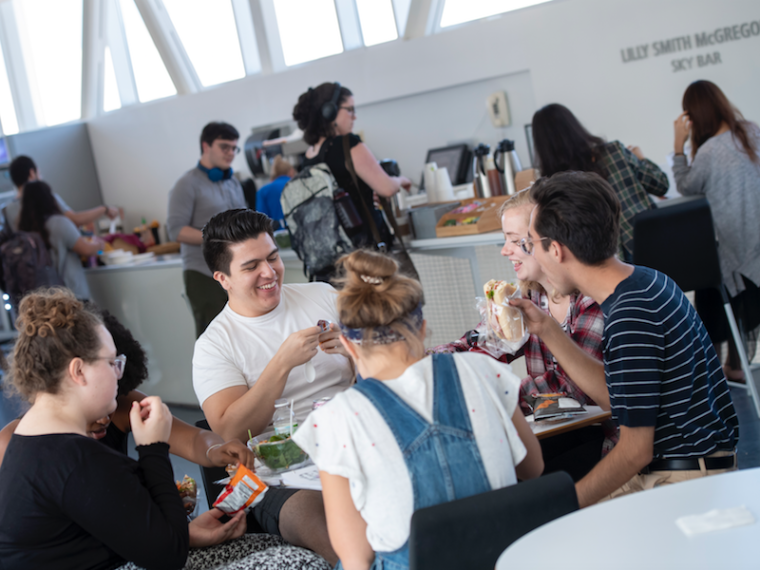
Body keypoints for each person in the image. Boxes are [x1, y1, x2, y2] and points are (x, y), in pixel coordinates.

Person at [292, 249, 543, 570]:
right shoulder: (482, 371)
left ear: (350, 345)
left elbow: (357, 558)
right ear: (422, 328)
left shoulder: (336, 419)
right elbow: (532, 469)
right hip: (506, 559)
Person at [510, 171, 738, 509]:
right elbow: (616, 397)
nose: (531, 255)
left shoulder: (631, 315)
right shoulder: (643, 281)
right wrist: (547, 330)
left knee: (547, 522)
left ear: (556, 250)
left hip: (680, 479)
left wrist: (567, 504)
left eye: (530, 244)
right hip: (681, 467)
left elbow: (635, 450)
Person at [0, 288, 252, 570]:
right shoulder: (78, 458)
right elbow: (168, 555)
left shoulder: (29, 442)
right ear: (78, 372)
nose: (118, 374)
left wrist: (181, 534)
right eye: (112, 363)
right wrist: (152, 448)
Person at [194, 208, 356, 565]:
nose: (269, 273)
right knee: (340, 541)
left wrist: (356, 348)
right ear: (223, 278)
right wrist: (281, 363)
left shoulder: (322, 295)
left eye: (273, 258)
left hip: (356, 442)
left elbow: (385, 373)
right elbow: (229, 430)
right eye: (251, 267)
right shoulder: (215, 345)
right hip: (281, 477)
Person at [432, 189, 615, 479]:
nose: (505, 251)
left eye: (516, 241)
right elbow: (482, 344)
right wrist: (427, 363)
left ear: (548, 243)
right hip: (563, 436)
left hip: (603, 444)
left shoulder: (590, 299)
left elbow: (572, 390)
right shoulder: (528, 296)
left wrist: (490, 397)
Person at [672, 79, 760, 382]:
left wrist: (677, 146)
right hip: (755, 243)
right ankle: (735, 365)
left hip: (736, 250)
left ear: (693, 116)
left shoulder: (709, 152)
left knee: (712, 289)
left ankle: (722, 369)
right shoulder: (751, 131)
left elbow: (686, 186)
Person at [292, 82, 412, 281]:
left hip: (334, 263)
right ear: (329, 112)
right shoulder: (348, 144)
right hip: (364, 255)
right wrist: (401, 180)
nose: (354, 116)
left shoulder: (309, 156)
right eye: (350, 109)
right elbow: (387, 187)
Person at [531, 103, 669, 261]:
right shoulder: (614, 151)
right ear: (574, 127)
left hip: (604, 259)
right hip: (651, 240)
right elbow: (661, 184)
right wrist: (641, 158)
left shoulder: (555, 185)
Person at [167, 122, 246, 338]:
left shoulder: (233, 183)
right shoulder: (187, 184)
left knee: (242, 336)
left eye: (233, 148)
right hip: (202, 274)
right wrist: (218, 237)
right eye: (224, 147)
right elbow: (176, 230)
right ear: (206, 146)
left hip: (235, 270)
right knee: (215, 340)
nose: (230, 153)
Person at [17, 181, 104, 300]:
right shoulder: (59, 223)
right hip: (71, 293)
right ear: (49, 198)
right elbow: (86, 249)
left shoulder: (23, 229)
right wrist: (99, 245)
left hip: (44, 297)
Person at [2, 155, 119, 234]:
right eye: (40, 173)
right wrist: (104, 209)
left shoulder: (7, 210)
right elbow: (75, 219)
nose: (41, 177)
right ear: (32, 173)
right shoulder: (45, 198)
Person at [256, 155, 295, 230]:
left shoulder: (263, 191)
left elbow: (261, 222)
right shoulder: (298, 184)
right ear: (291, 171)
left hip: (279, 236)